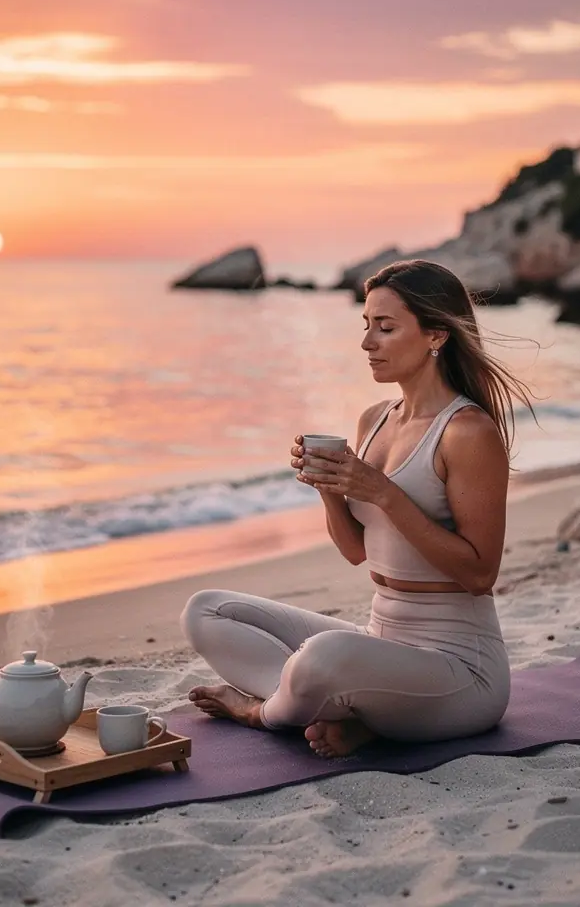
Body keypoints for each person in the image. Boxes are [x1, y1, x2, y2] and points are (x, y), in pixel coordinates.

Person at [180, 259, 534, 758]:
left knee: (323, 657)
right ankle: (352, 712)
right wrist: (329, 486)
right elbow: (355, 551)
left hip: (460, 669)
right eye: (366, 326)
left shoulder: (467, 432)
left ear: (436, 335)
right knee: (206, 610)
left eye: (385, 328)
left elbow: (480, 573)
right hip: (380, 639)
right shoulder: (375, 419)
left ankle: (259, 711)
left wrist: (383, 492)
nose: (367, 343)